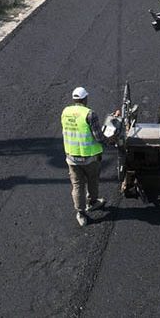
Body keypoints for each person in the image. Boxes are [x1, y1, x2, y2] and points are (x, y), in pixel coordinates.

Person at [61, 86, 107, 228]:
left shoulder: (65, 112)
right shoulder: (89, 114)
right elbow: (98, 137)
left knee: (77, 185)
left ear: (74, 99)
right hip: (89, 157)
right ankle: (93, 202)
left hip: (71, 157)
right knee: (92, 180)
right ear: (85, 98)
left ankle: (80, 213)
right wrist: (109, 141)